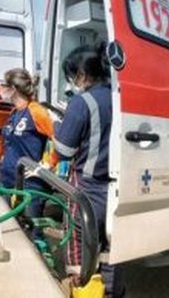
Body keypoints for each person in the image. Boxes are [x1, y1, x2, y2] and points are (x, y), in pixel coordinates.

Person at [53, 43, 124, 298]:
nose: (73, 82)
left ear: (81, 75)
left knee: (80, 251)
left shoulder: (81, 102)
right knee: (111, 250)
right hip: (117, 188)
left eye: (73, 77)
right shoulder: (119, 97)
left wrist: (56, 126)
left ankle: (84, 292)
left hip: (87, 188)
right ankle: (111, 293)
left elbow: (64, 150)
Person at [0, 67, 55, 219]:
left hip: (30, 184)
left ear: (13, 89)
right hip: (7, 179)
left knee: (32, 233)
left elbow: (59, 138)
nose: (0, 89)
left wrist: (49, 163)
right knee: (7, 227)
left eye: (3, 85)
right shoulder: (14, 112)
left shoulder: (36, 111)